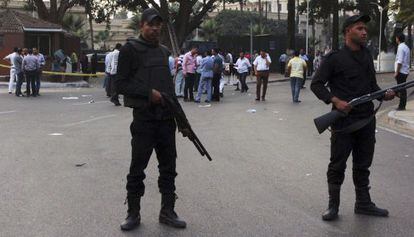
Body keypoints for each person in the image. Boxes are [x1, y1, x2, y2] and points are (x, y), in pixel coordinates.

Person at [311, 15, 396, 221]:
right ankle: (333, 206)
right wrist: (335, 101)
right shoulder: (334, 58)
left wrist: (383, 94)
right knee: (337, 165)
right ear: (347, 31)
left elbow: (371, 86)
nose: (364, 32)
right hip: (343, 123)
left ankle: (363, 204)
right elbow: (317, 84)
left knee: (362, 164)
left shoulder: (367, 55)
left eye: (365, 29)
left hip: (366, 120)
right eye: (359, 28)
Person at [114, 8, 187, 231]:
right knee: (137, 168)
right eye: (151, 25)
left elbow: (168, 89)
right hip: (144, 120)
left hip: (165, 120)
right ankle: (133, 214)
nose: (155, 29)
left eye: (158, 25)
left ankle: (167, 211)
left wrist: (181, 120)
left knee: (168, 168)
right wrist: (149, 94)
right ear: (141, 26)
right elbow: (121, 84)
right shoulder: (130, 50)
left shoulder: (164, 51)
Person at [394, 33, 410, 111]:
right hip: (405, 71)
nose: (395, 39)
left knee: (402, 89)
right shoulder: (406, 47)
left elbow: (400, 61)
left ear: (398, 38)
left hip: (401, 72)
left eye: (396, 38)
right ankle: (401, 102)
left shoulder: (400, 48)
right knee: (401, 88)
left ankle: (401, 106)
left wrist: (396, 72)